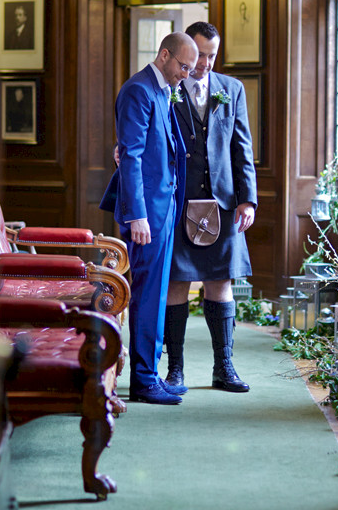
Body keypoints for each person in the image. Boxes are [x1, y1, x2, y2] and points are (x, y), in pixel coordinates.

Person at [100, 32, 198, 405]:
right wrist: (137, 215)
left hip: (165, 207)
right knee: (146, 294)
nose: (186, 75)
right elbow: (132, 156)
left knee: (157, 294)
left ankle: (151, 372)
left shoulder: (162, 90)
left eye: (190, 68)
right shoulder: (138, 90)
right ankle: (143, 380)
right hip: (146, 215)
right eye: (183, 66)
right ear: (164, 55)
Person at [164, 21, 258, 393]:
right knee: (177, 284)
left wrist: (248, 199)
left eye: (211, 55)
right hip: (178, 203)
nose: (204, 63)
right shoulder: (167, 86)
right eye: (199, 54)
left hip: (222, 203)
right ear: (186, 49)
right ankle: (176, 371)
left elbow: (242, 147)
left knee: (221, 283)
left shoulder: (231, 90)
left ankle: (225, 368)